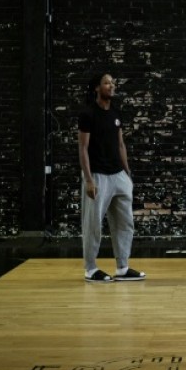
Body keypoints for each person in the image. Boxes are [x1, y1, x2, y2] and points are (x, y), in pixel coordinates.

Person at [78, 72, 145, 283]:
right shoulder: (88, 114)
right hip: (98, 176)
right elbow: (83, 148)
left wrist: (127, 173)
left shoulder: (116, 113)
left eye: (113, 82)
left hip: (119, 176)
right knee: (93, 224)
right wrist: (88, 179)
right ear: (97, 88)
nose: (111, 86)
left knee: (125, 223)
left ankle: (122, 267)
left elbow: (120, 144)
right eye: (107, 83)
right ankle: (90, 268)